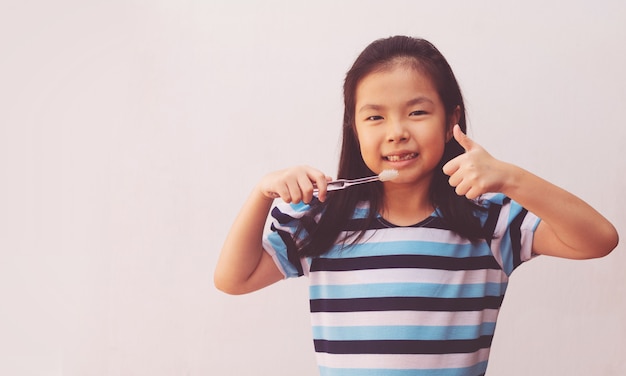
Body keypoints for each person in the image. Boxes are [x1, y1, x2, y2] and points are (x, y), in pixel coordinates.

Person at [214, 36, 619, 375]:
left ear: (450, 121)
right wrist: (260, 195)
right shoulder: (322, 219)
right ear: (353, 129)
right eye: (375, 118)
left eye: (417, 112)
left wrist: (510, 177)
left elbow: (598, 240)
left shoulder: (490, 220)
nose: (397, 133)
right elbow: (234, 279)